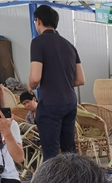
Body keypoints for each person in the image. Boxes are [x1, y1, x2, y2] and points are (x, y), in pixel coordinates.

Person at [28, 4, 85, 161]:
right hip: (70, 102)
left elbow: (35, 78)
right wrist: (62, 81)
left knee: (51, 153)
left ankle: (51, 178)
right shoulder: (69, 45)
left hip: (51, 103)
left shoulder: (38, 42)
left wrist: (29, 86)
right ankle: (74, 176)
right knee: (69, 151)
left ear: (38, 21)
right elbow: (80, 79)